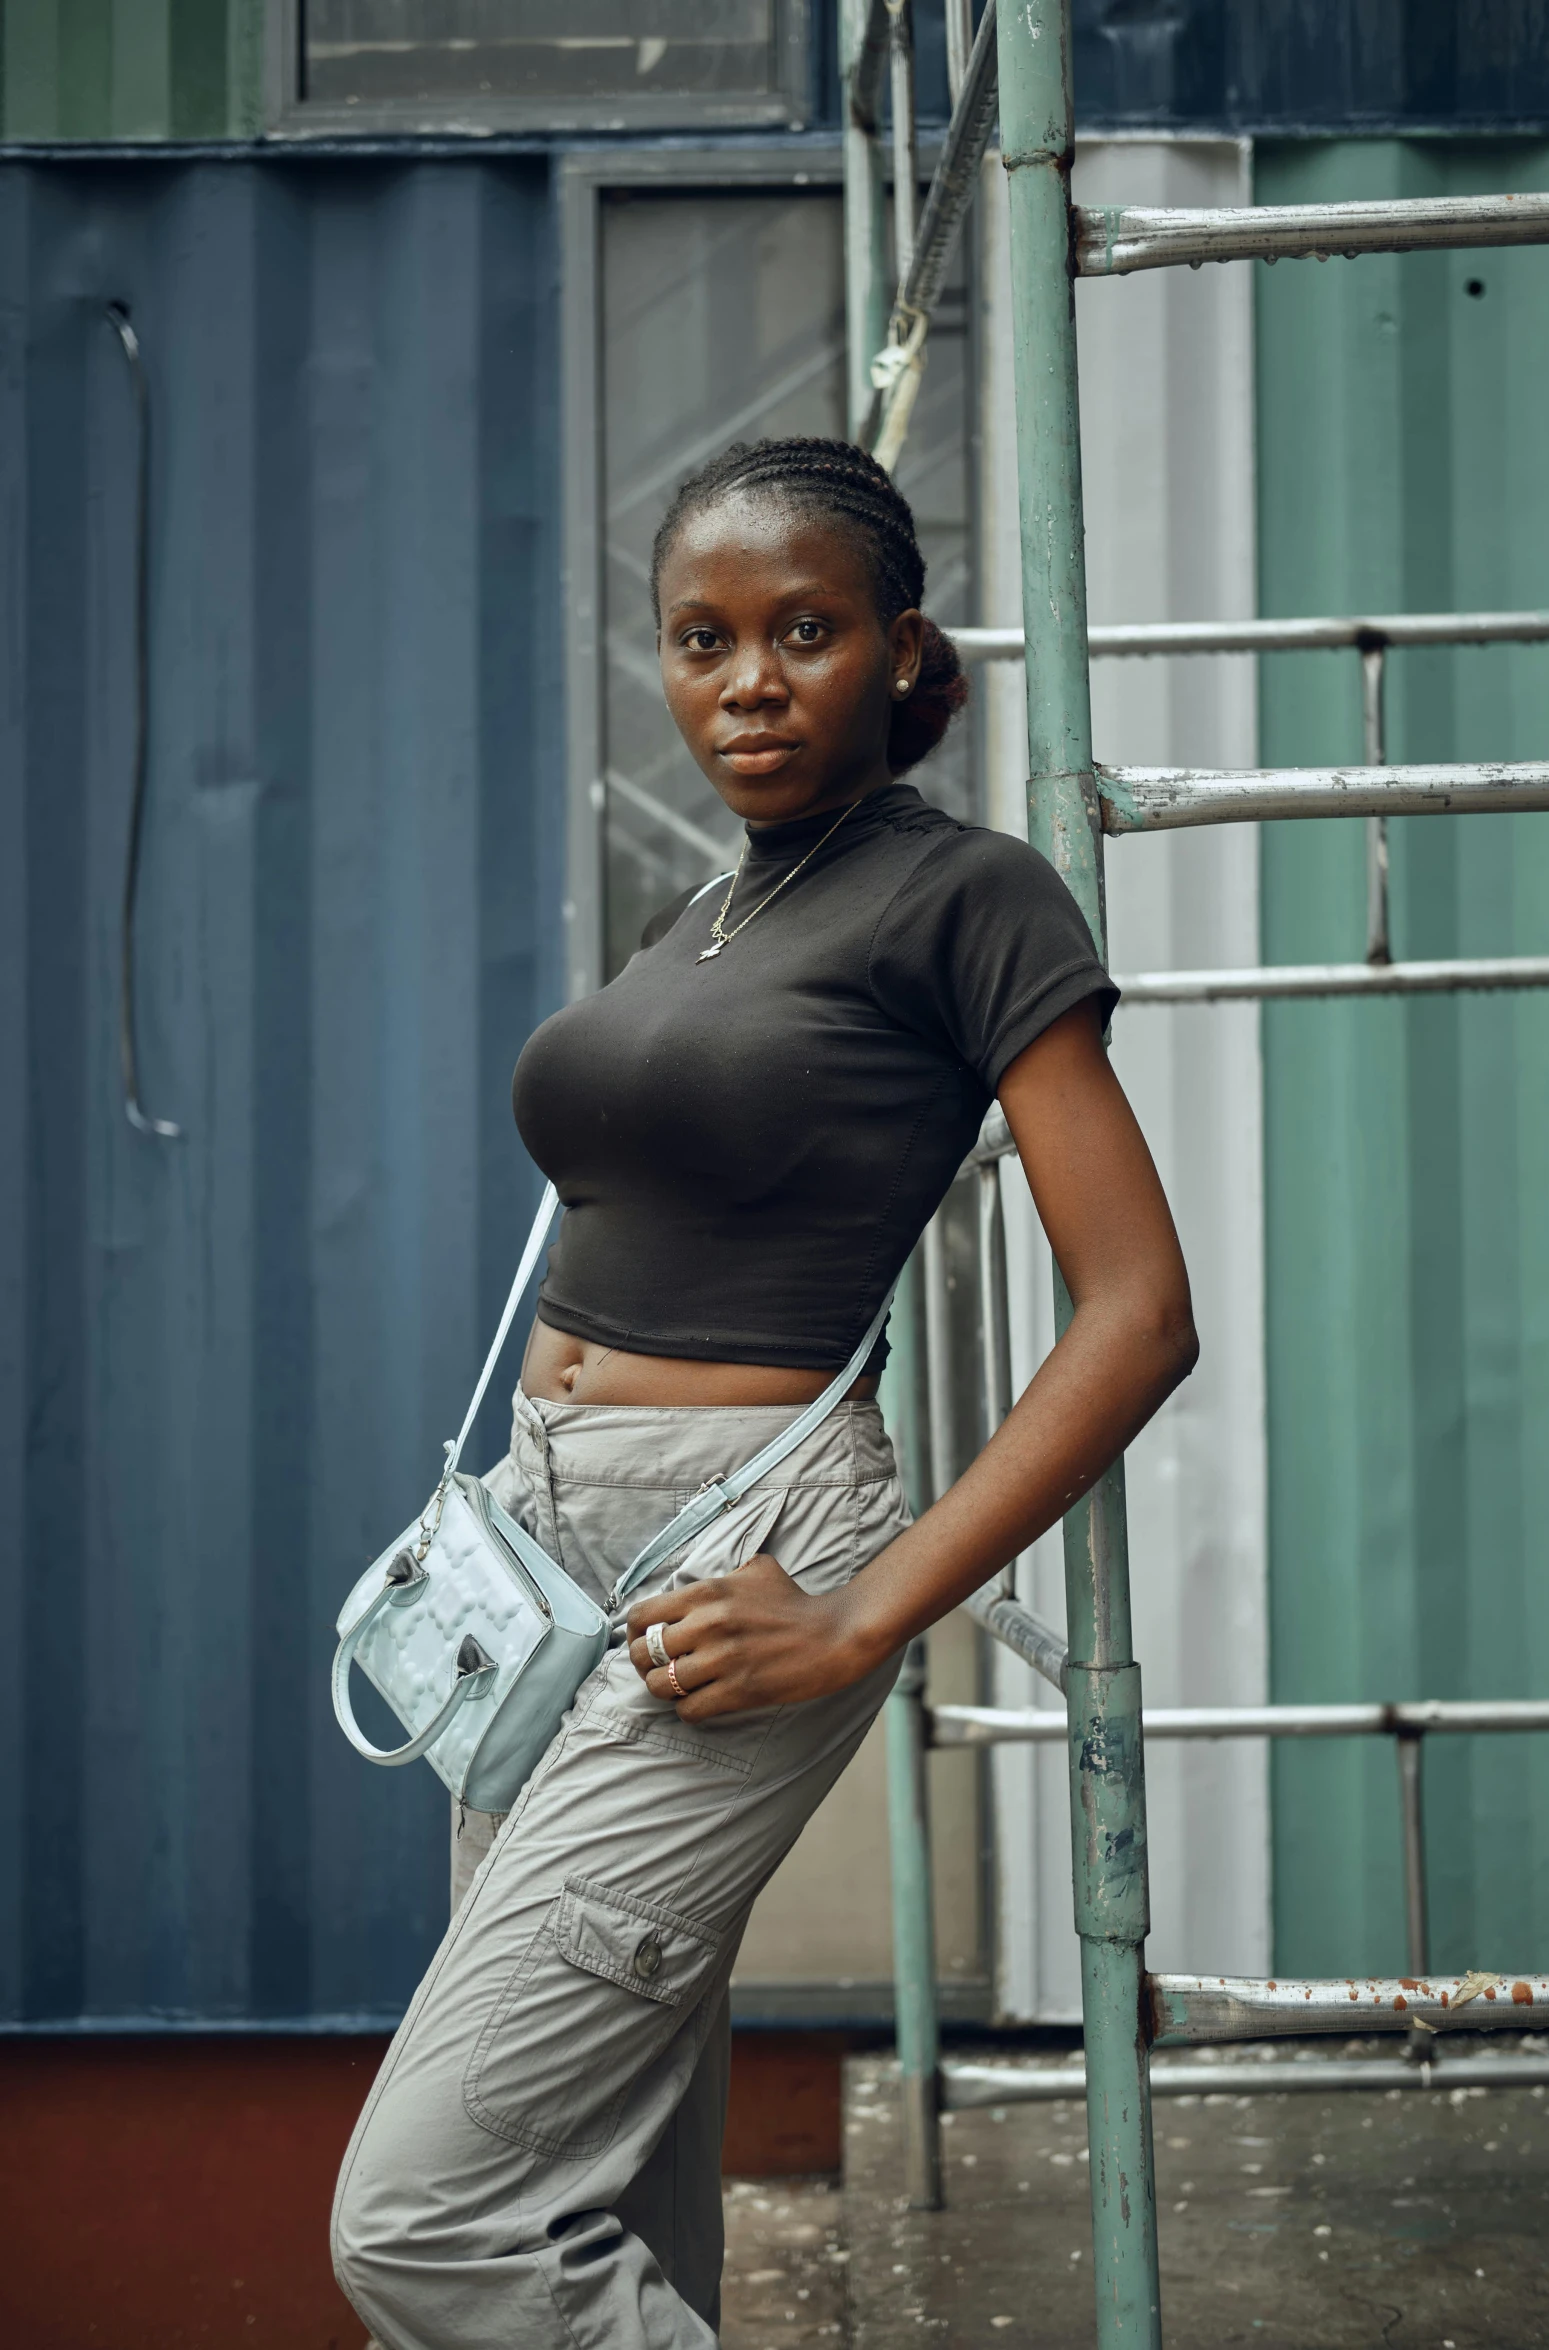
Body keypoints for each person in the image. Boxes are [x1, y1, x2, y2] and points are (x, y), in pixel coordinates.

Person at [332, 437, 1197, 2349]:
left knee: (429, 2217)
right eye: (700, 638)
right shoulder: (696, 917)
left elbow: (1136, 1310)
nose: (745, 679)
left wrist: (862, 1618)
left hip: (740, 1543)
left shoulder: (971, 898)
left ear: (898, 652)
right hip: (536, 1554)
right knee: (578, 2172)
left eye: (802, 631)